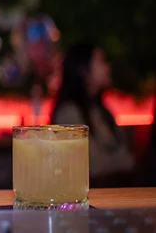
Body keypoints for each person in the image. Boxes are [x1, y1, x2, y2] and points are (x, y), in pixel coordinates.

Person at [51, 42, 135, 186]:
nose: (107, 68)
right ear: (84, 70)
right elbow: (92, 166)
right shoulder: (70, 113)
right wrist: (126, 161)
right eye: (101, 61)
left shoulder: (101, 110)